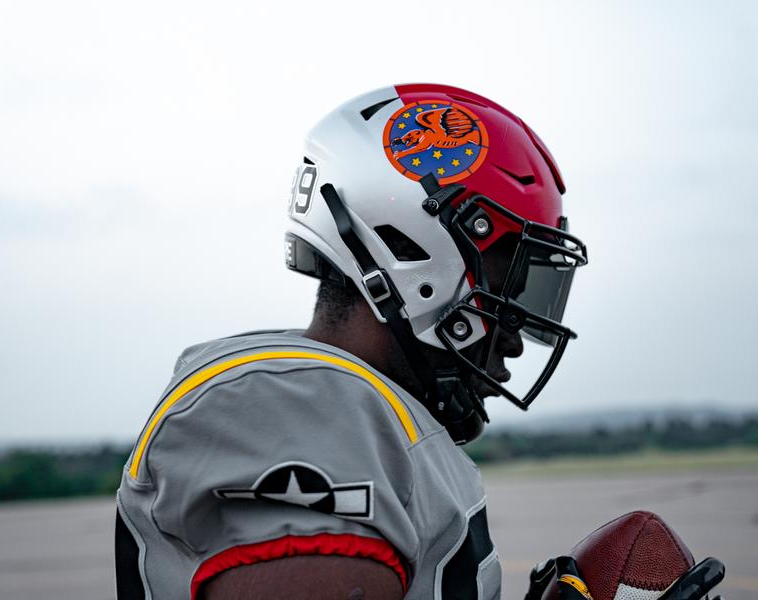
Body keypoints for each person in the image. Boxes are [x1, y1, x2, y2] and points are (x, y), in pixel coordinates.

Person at [114, 83, 588, 599]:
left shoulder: (364, 412)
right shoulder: (298, 403)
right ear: (415, 254)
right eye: (508, 286)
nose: (515, 339)